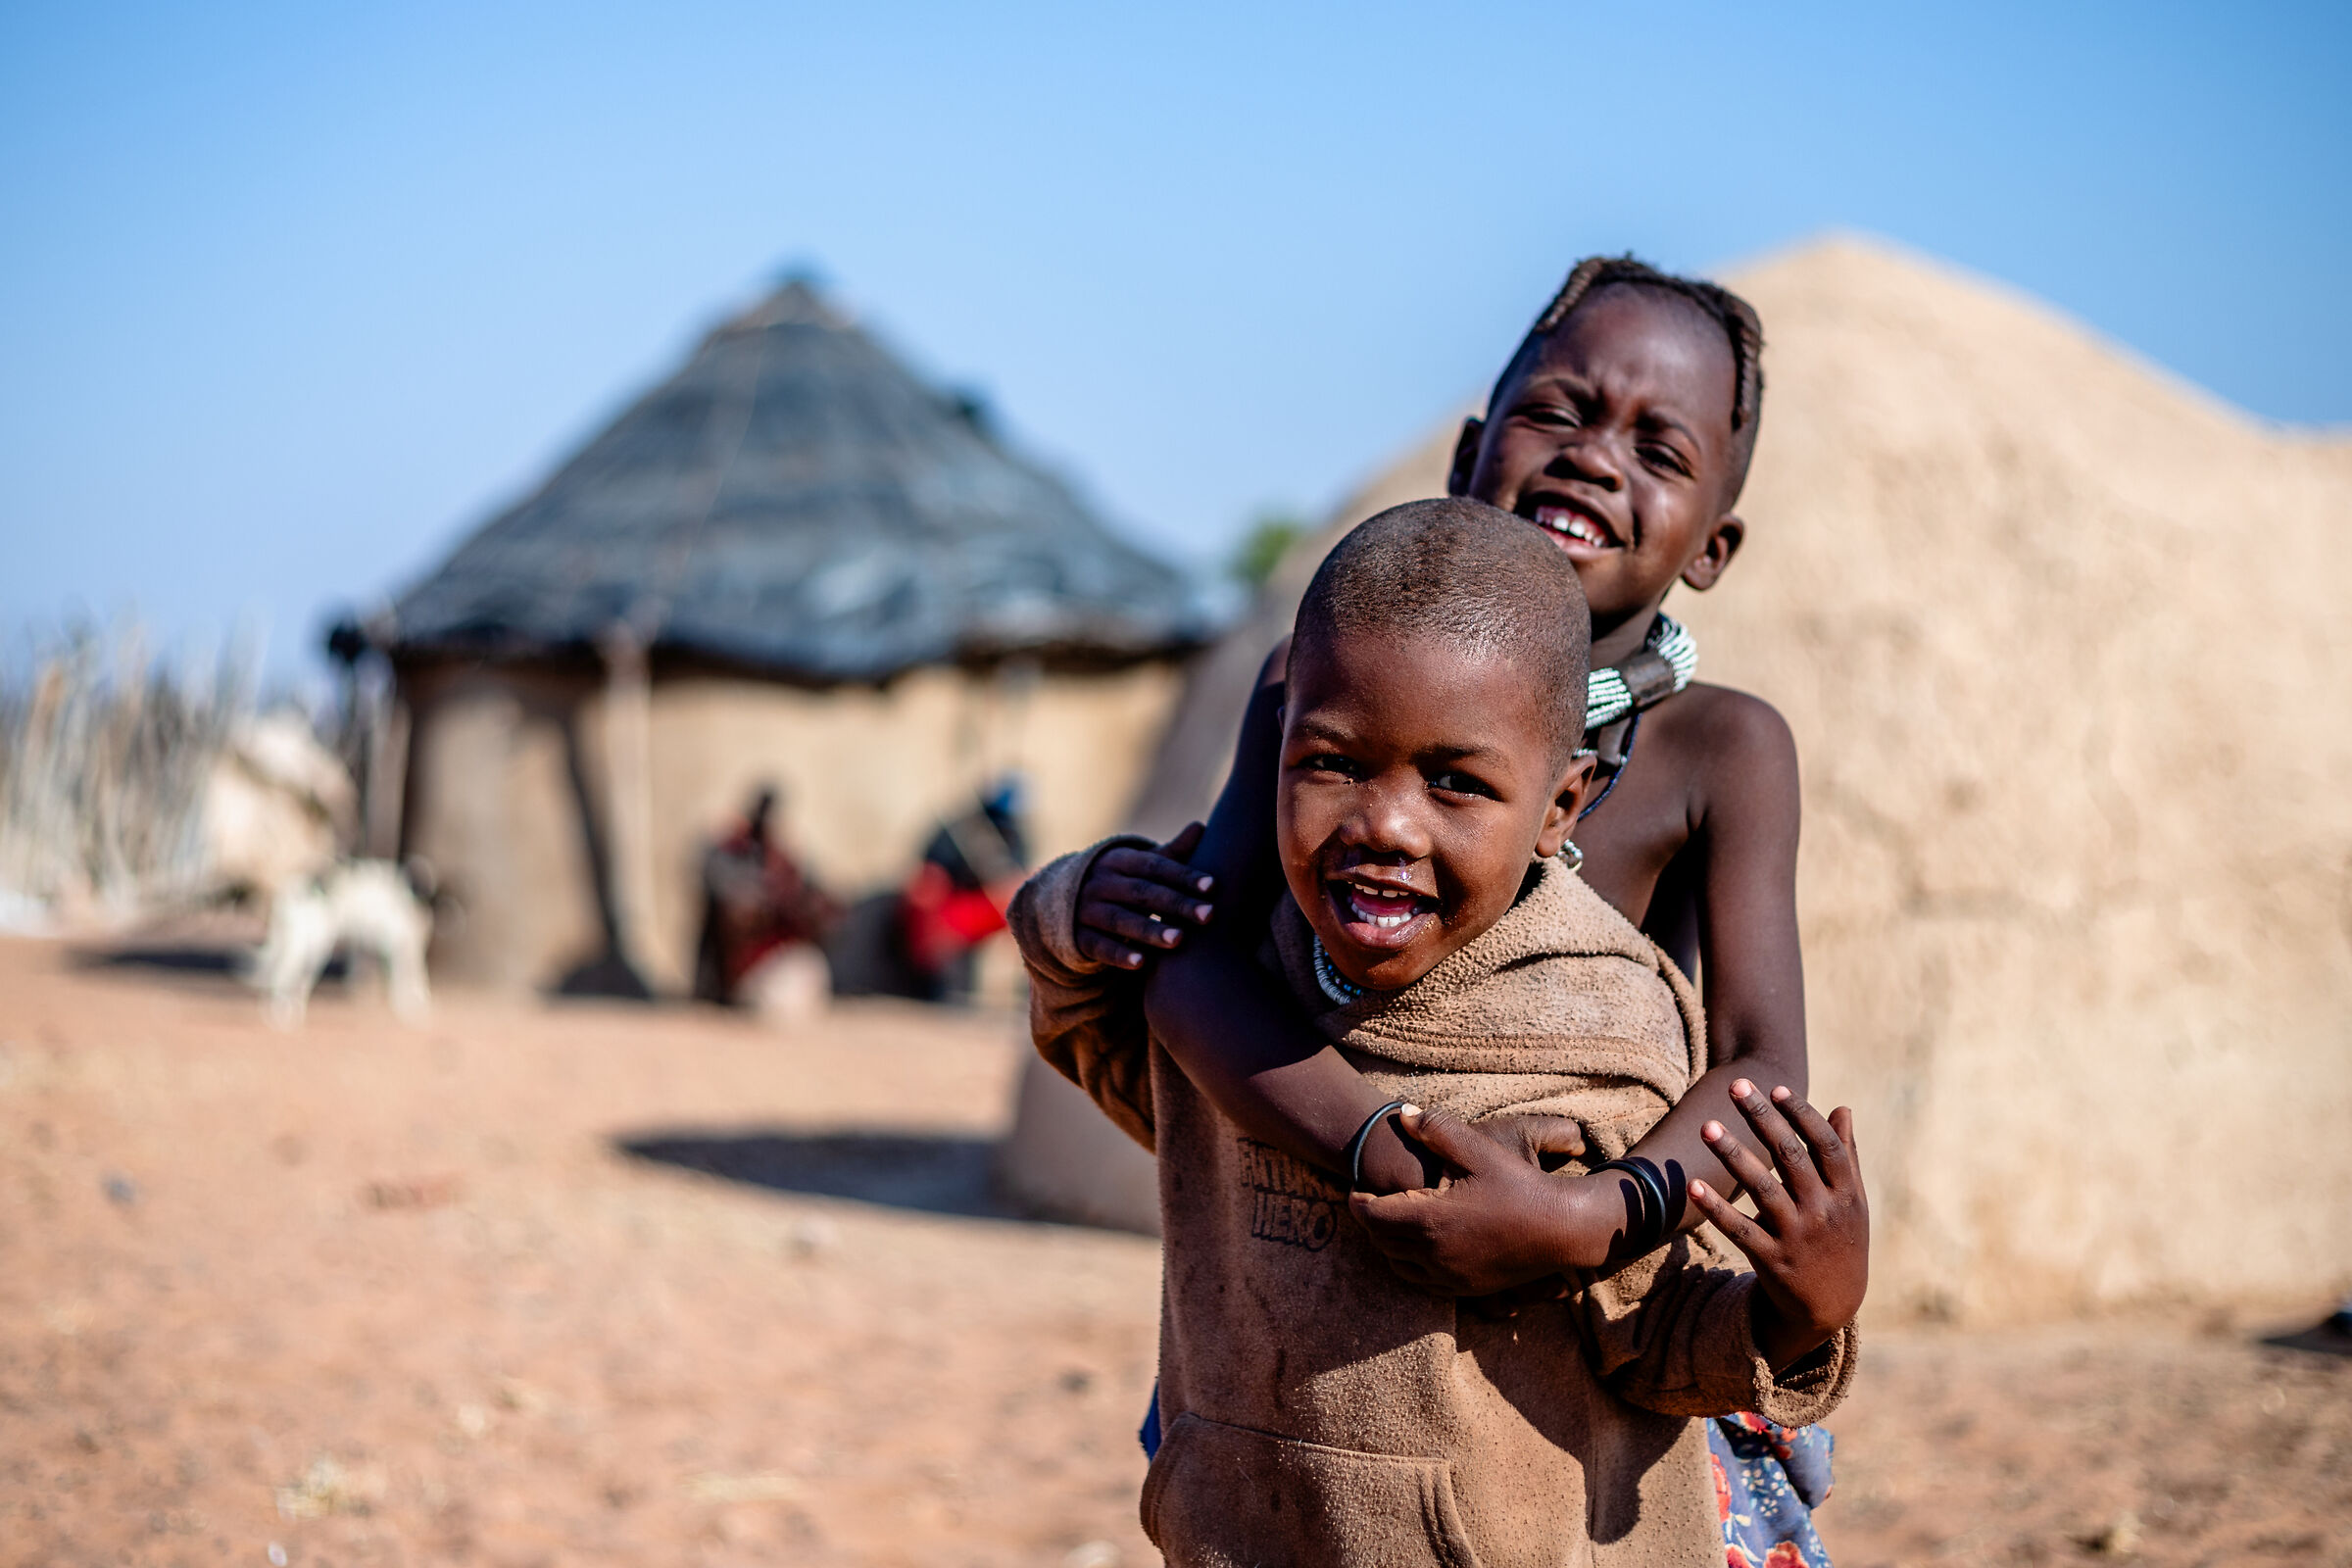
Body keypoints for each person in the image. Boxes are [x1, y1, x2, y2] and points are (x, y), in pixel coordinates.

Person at [1074, 257, 1839, 1563]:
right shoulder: (1311, 682)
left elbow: (1761, 1067)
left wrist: (1601, 1216)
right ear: (1474, 449)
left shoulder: (1722, 751)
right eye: (1561, 412)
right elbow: (1194, 967)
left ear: (1713, 541)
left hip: (1593, 1314)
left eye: (1659, 446)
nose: (1598, 458)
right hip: (1322, 1300)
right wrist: (1371, 1144)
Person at [692, 786, 839, 1005]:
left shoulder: (784, 864)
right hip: (740, 976)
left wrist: (791, 899)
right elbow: (737, 914)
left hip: (783, 964)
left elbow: (827, 917)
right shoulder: (728, 855)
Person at [899, 773, 1029, 1002]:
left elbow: (1016, 883)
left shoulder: (1015, 835)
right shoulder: (957, 831)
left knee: (1027, 909)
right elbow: (926, 882)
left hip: (991, 908)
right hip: (952, 910)